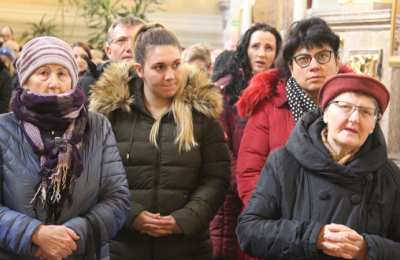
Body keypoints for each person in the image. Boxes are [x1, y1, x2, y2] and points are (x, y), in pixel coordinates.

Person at [89, 24, 230, 260]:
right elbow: (96, 176)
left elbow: (216, 177)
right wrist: (132, 215)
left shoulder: (201, 115)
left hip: (187, 247)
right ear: (140, 69)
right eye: (159, 67)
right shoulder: (111, 115)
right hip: (124, 246)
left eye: (176, 64)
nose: (170, 75)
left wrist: (184, 219)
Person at [236, 73, 400, 259]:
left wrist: (367, 249)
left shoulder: (389, 176)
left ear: (373, 125)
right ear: (326, 113)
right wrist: (314, 237)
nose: (355, 118)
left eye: (365, 112)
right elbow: (249, 231)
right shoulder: (284, 162)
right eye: (345, 107)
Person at [0, 36, 130, 259]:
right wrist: (34, 235)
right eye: (43, 73)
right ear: (25, 79)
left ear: (73, 78)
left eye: (62, 73)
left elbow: (117, 198)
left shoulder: (98, 126)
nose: (54, 83)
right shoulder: (4, 129)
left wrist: (70, 237)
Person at [235, 17, 353, 210]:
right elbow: (249, 172)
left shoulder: (355, 106)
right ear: (291, 66)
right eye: (304, 59)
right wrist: (275, 220)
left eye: (323, 56)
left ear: (337, 60)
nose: (314, 66)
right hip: (280, 222)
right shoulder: (270, 107)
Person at [210, 22, 282, 260]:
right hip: (230, 187)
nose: (262, 53)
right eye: (256, 46)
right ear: (245, 49)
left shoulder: (280, 92)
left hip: (269, 185)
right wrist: (238, 179)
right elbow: (219, 143)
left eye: (269, 48)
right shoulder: (226, 90)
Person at [78, 15, 144, 96]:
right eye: (121, 41)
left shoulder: (159, 83)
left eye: (137, 40)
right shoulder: (88, 85)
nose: (129, 48)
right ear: (108, 50)